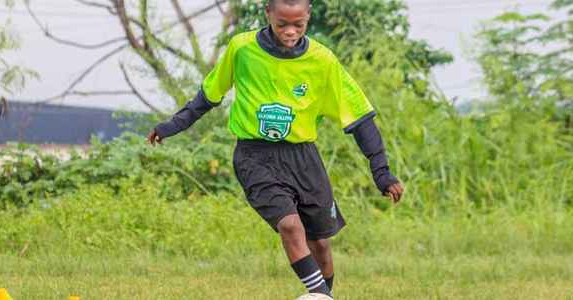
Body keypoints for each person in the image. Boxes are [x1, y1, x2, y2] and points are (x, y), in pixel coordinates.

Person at [146, 0, 403, 298]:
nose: (290, 31)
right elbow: (209, 94)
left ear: (308, 17)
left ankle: (324, 296)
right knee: (291, 226)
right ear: (267, 13)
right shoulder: (242, 49)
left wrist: (382, 173)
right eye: (282, 24)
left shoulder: (323, 60)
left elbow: (359, 119)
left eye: (299, 24)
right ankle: (320, 296)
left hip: (304, 157)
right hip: (255, 156)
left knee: (320, 243)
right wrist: (172, 125)